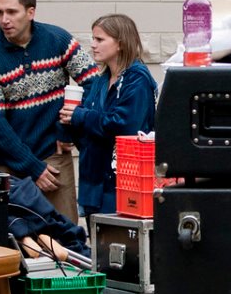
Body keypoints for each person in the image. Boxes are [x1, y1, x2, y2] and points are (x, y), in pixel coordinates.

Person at [0, 0, 99, 219]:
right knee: (16, 244)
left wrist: (67, 128)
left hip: (54, 158)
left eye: (12, 12)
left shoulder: (58, 40)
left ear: (31, 11)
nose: (5, 19)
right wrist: (32, 167)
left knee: (67, 239)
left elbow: (94, 85)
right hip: (9, 165)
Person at [61, 13, 159, 220]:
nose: (93, 45)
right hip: (93, 184)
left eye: (100, 39)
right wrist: (67, 127)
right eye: (93, 38)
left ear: (121, 43)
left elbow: (125, 126)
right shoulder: (100, 80)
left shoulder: (137, 79)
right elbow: (86, 125)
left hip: (123, 184)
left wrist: (81, 117)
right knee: (98, 248)